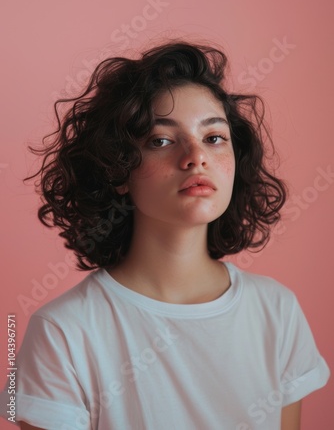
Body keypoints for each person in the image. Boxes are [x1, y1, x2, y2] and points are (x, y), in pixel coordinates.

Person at [0, 41, 330, 430]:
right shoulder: (62, 332)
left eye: (213, 138)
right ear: (119, 170)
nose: (196, 156)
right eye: (161, 140)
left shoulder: (278, 311)